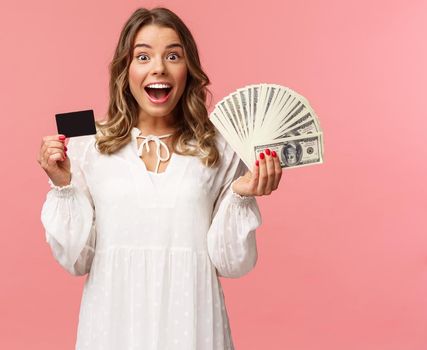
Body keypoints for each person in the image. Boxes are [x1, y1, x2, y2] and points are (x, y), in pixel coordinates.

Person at [36, 7, 281, 349]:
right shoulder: (87, 144)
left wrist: (241, 195)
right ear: (126, 69)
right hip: (113, 324)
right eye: (143, 56)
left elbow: (232, 264)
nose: (159, 68)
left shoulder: (220, 147)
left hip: (193, 324)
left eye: (173, 55)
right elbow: (77, 262)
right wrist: (63, 186)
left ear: (188, 70)